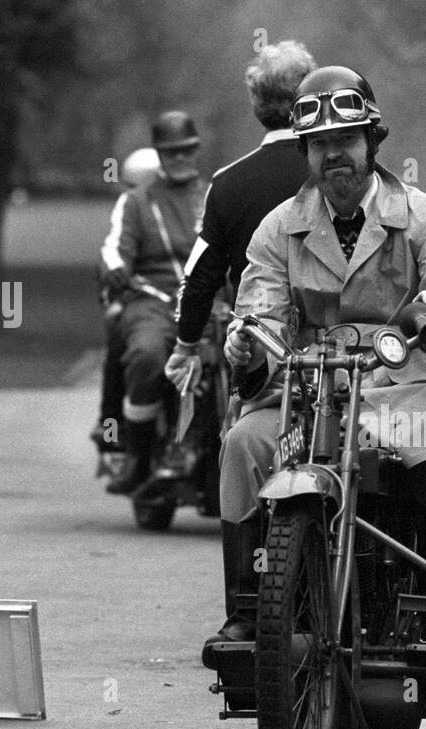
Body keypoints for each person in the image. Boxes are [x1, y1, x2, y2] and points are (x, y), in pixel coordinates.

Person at [206, 65, 426, 665]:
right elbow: (258, 311)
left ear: (371, 143)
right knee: (243, 444)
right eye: (320, 145)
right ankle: (250, 608)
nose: (334, 155)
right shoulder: (277, 227)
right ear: (306, 153)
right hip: (303, 395)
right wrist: (247, 346)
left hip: (399, 389)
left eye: (345, 141)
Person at [162, 40, 315, 646]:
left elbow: (199, 277)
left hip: (263, 359)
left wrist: (182, 343)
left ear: (257, 107)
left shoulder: (227, 185)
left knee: (241, 451)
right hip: (350, 358)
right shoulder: (340, 172)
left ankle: (247, 610)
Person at [98, 111, 207, 493]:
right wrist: (114, 269)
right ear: (159, 154)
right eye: (172, 152)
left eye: (187, 150)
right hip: (154, 301)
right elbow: (114, 249)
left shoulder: (214, 196)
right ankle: (138, 456)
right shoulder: (135, 202)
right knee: (146, 355)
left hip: (210, 300)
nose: (181, 158)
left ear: (197, 150)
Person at [93, 148, 163, 452]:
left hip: (173, 297)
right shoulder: (129, 209)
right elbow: (113, 255)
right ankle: (111, 421)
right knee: (117, 326)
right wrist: (116, 291)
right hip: (138, 294)